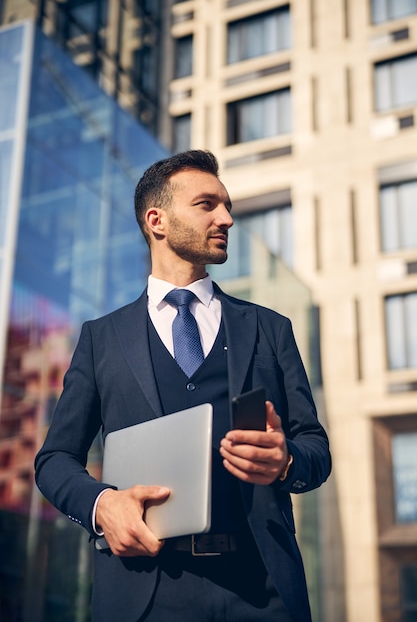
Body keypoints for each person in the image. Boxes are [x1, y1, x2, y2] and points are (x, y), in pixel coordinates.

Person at [35, 150, 331, 622]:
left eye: (227, 205)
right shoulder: (101, 338)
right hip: (142, 595)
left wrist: (285, 460)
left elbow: (316, 448)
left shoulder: (269, 328)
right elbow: (54, 461)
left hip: (264, 589)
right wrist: (102, 503)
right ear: (158, 220)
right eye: (207, 204)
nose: (227, 218)